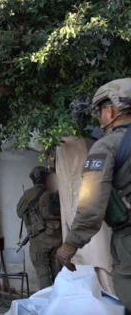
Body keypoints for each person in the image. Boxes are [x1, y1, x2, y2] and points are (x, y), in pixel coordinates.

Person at [57, 78, 131, 309]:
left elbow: (91, 206)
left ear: (110, 110)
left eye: (99, 111)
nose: (99, 118)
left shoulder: (107, 146)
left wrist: (69, 246)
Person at [16, 166, 62, 289]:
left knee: (43, 274)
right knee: (59, 272)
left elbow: (19, 213)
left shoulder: (29, 194)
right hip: (58, 238)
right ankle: (61, 301)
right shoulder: (57, 192)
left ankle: (47, 302)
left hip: (39, 240)